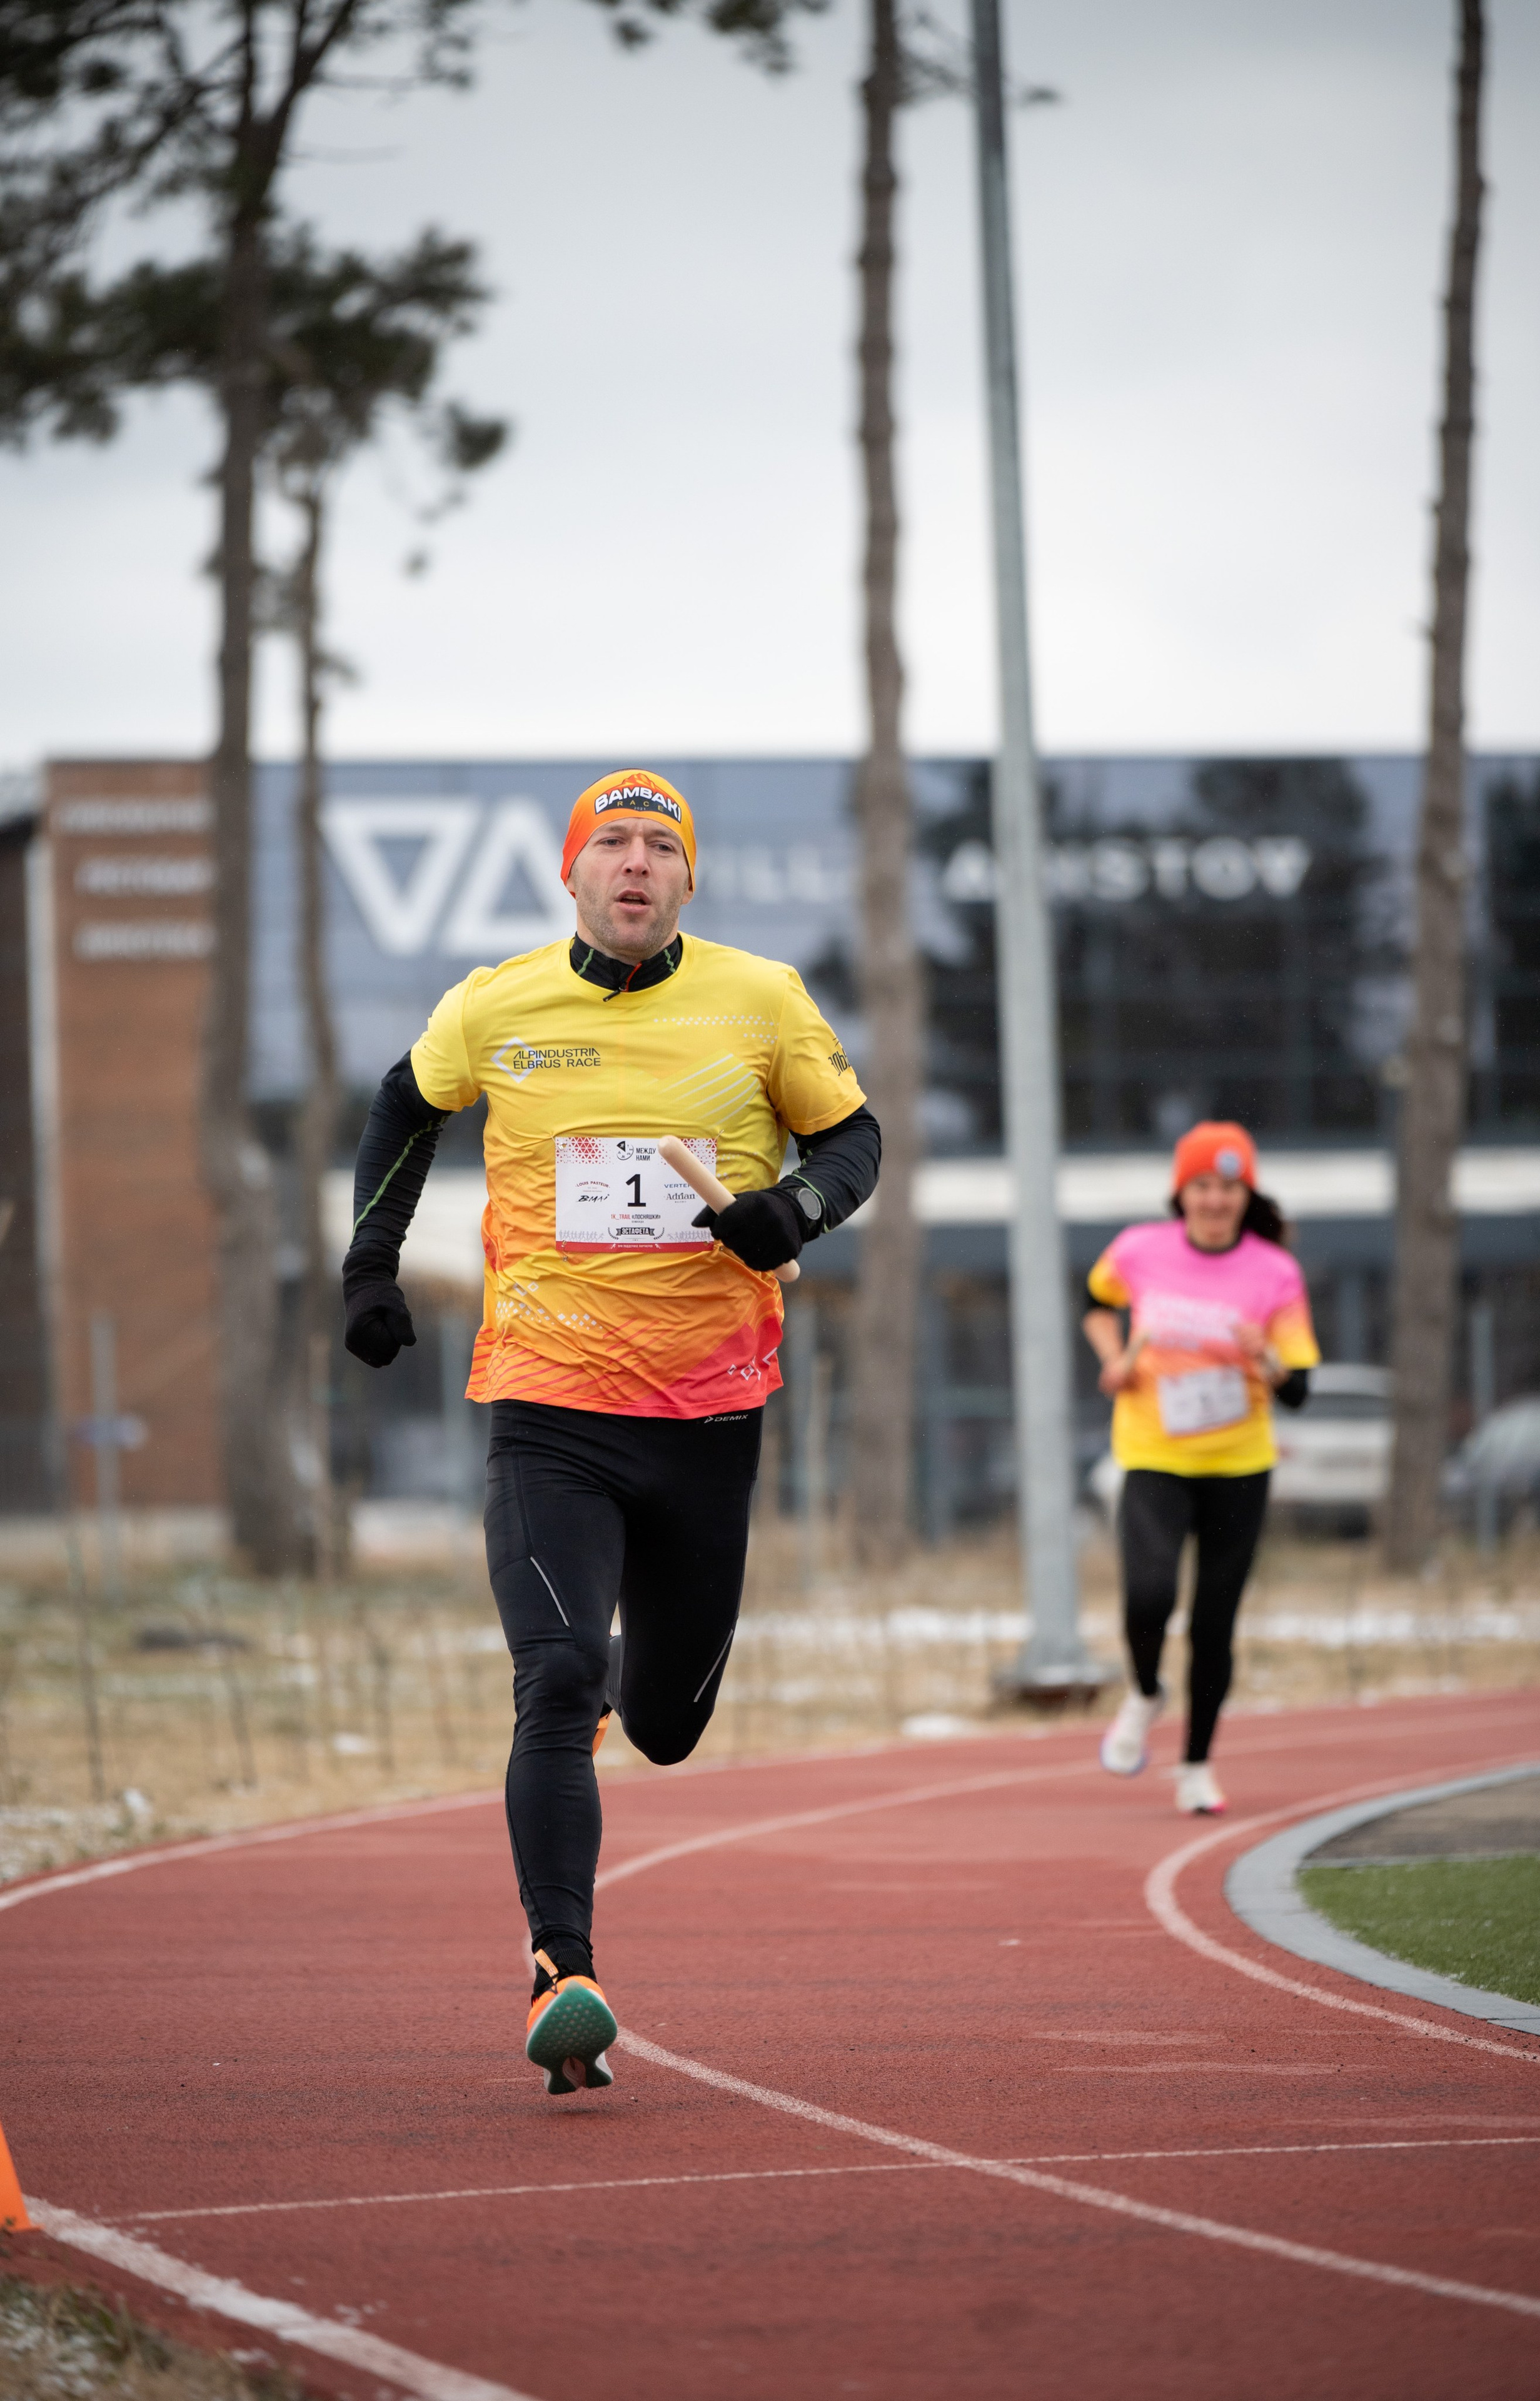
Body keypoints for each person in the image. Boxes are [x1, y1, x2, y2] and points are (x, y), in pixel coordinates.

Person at [340, 768, 879, 2092]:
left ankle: (627, 1657)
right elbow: (400, 1111)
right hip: (547, 1409)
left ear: (686, 880)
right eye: (611, 845)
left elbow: (855, 1141)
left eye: (659, 847)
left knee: (666, 1726)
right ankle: (560, 1968)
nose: (634, 865)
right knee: (558, 1675)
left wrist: (790, 1213)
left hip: (708, 1417)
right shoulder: (495, 1004)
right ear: (572, 875)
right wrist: (369, 1266)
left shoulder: (759, 1001)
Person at [1082, 1121, 1319, 1815]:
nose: (1216, 1200)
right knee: (1148, 1598)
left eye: (1230, 1188)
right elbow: (1095, 1302)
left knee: (1215, 1621)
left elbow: (1300, 1388)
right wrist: (1114, 1360)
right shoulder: (1138, 1250)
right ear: (1180, 1192)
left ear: (1248, 1195)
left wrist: (1263, 1357)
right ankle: (1147, 1690)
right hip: (1154, 1453)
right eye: (1203, 1187)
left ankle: (1196, 1766)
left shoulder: (1275, 1272)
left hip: (1240, 1464)